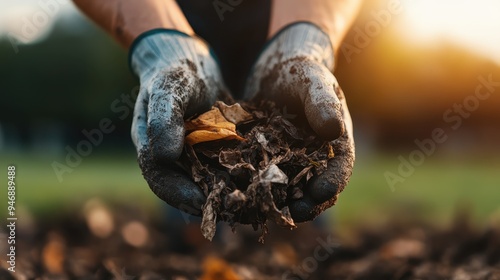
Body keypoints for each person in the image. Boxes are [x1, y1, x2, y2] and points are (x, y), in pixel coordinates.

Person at [73, 0, 359, 224]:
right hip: (181, 24)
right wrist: (162, 43)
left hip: (288, 24)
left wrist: (302, 40)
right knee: (190, 216)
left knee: (301, 220)